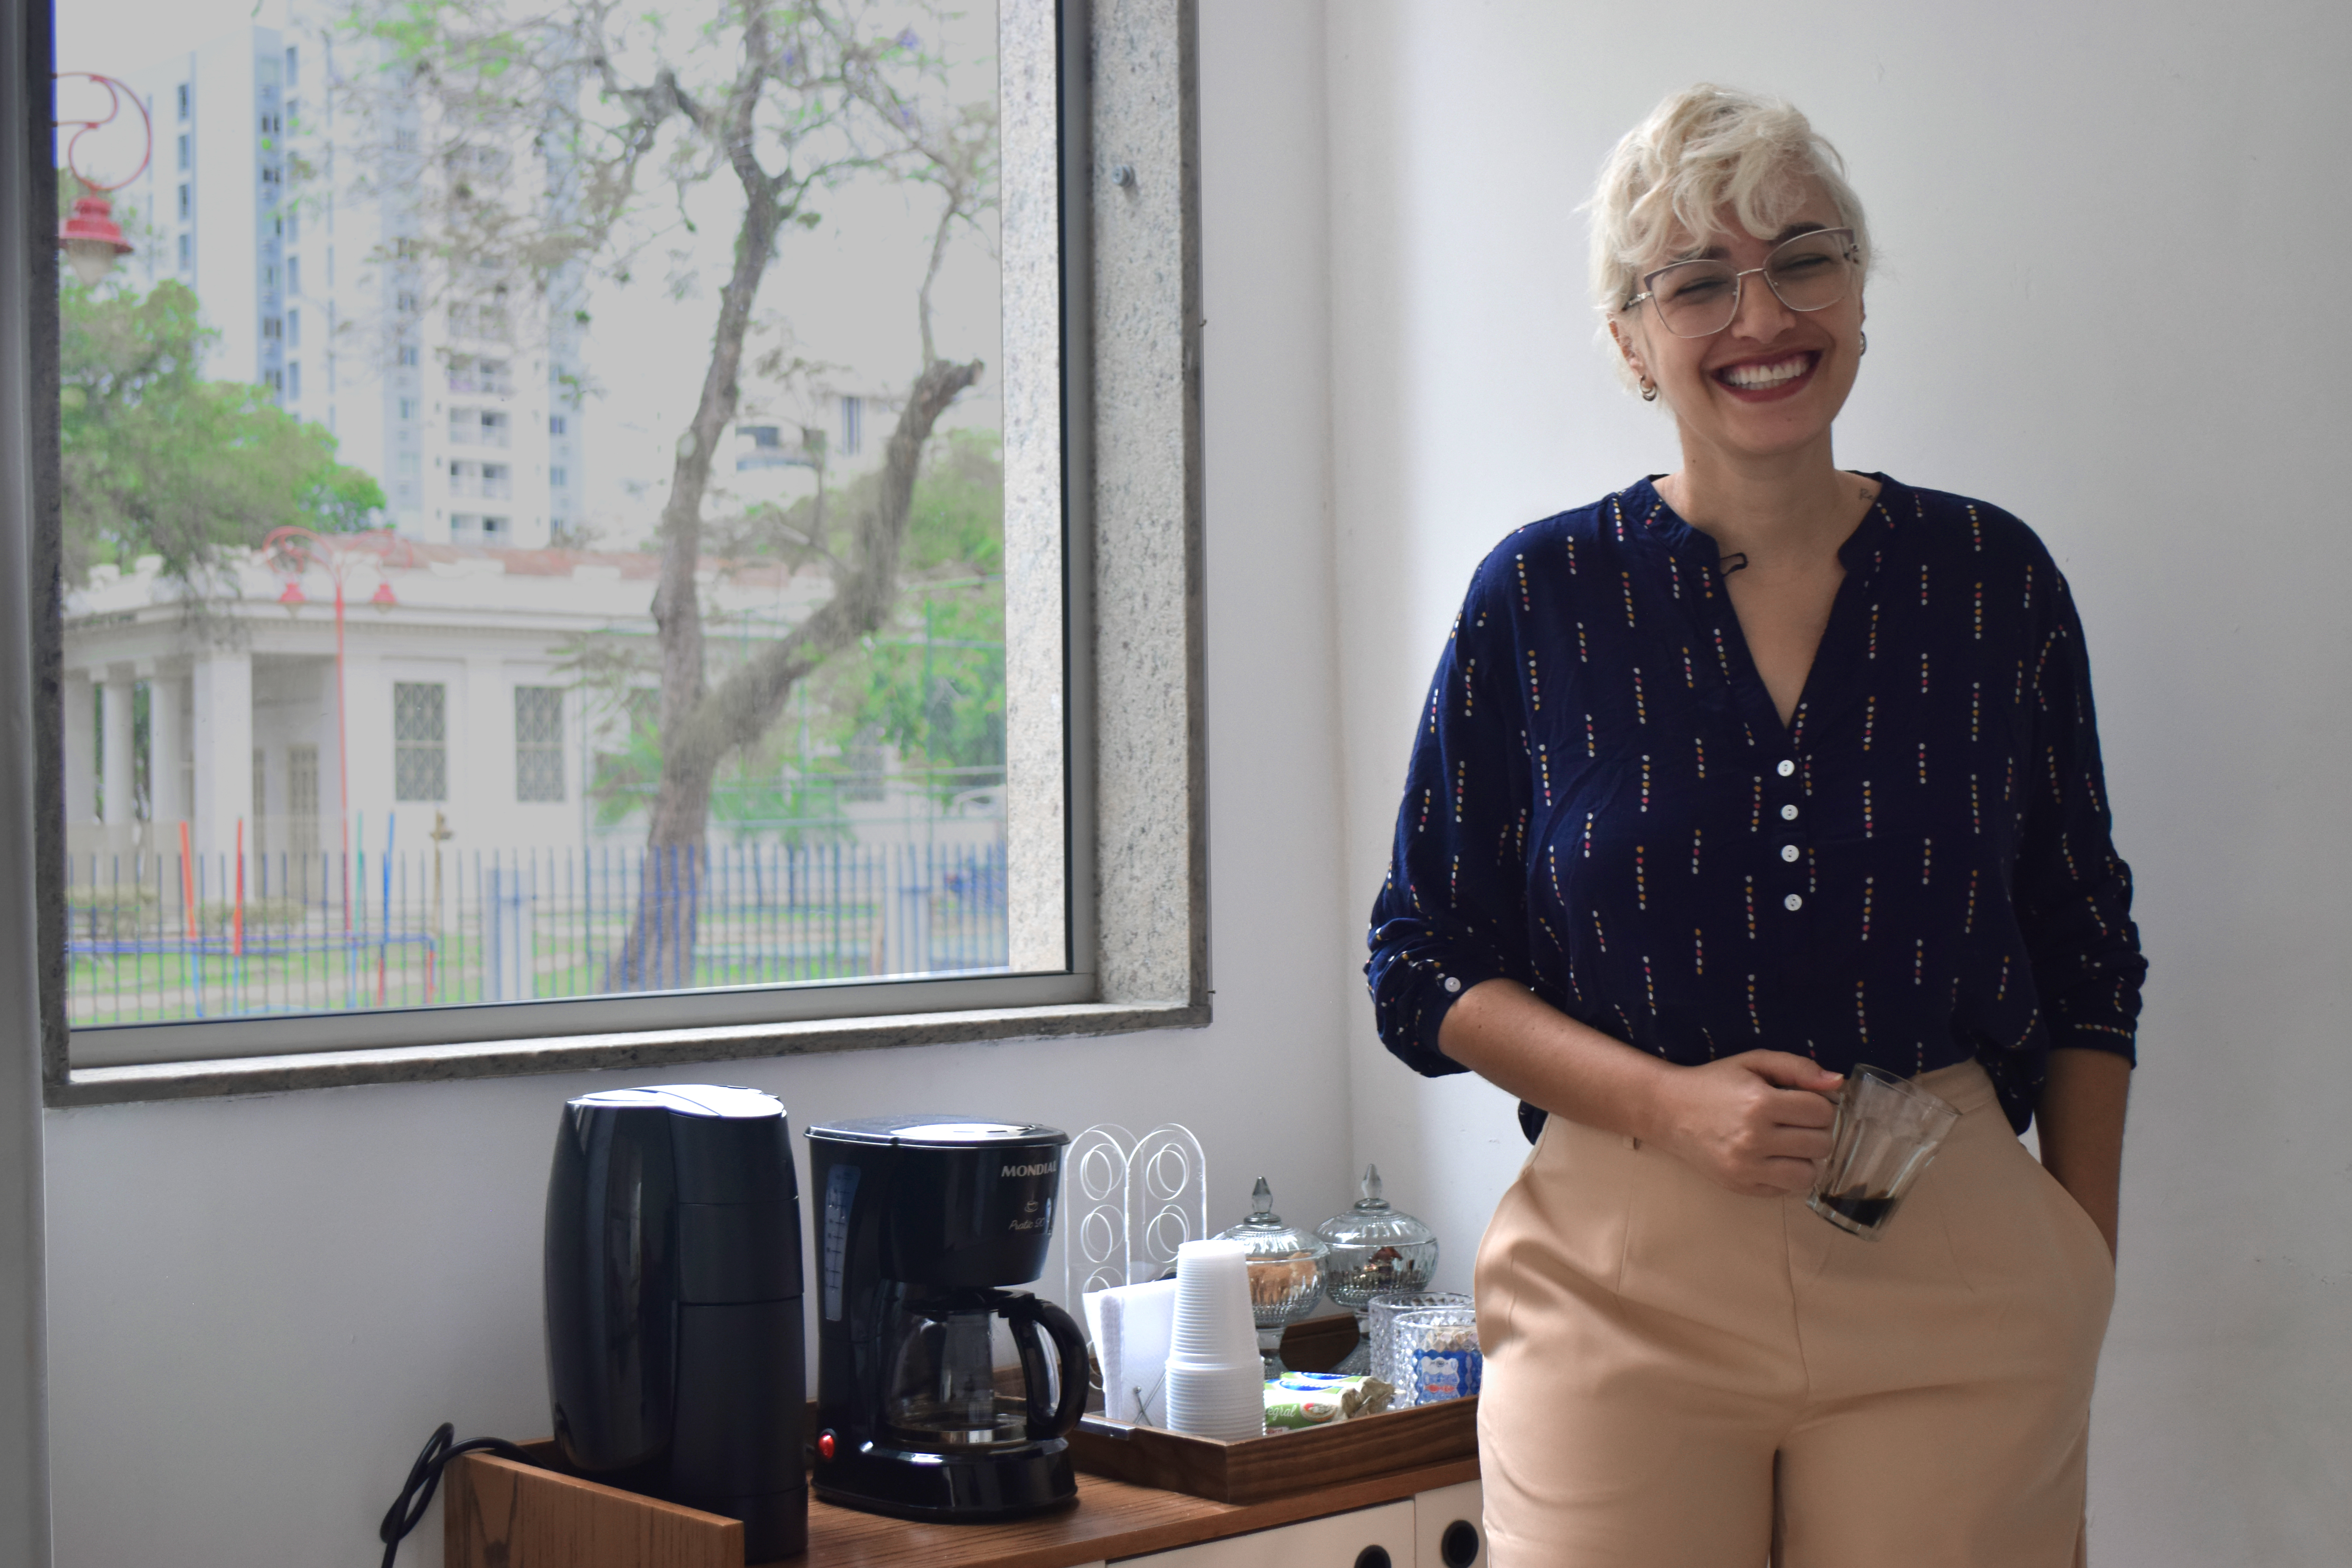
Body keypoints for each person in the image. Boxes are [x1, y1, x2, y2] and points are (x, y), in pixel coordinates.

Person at [1364, 84, 2143, 1568]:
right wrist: (1665, 1104)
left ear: (1857, 290)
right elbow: (1422, 964)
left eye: (1802, 257)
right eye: (1694, 281)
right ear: (1628, 337)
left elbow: (2085, 937)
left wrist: (2075, 1252)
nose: (1758, 314)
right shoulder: (1538, 601)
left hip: (1957, 1269)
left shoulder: (1992, 584)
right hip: (1619, 1281)